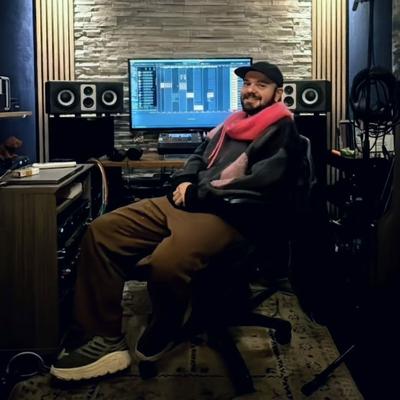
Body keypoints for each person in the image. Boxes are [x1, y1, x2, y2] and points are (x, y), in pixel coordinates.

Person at [50, 61, 302, 381]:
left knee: (167, 263)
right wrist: (184, 180)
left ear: (278, 94)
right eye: (248, 83)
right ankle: (103, 337)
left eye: (261, 85)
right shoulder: (232, 123)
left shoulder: (282, 130)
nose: (250, 89)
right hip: (188, 203)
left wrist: (195, 194)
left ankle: (168, 323)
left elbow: (259, 185)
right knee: (103, 231)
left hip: (228, 216)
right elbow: (198, 155)